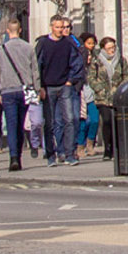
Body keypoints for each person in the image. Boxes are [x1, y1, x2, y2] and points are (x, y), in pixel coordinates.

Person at [0, 18, 38, 171]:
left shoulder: (0, 50)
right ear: (20, 30)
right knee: (21, 124)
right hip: (25, 89)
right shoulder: (28, 47)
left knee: (11, 124)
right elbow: (35, 71)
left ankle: (13, 158)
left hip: (8, 91)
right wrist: (36, 88)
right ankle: (19, 156)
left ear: (8, 31)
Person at [35, 14, 83, 167]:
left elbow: (77, 63)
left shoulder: (68, 43)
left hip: (64, 86)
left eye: (62, 27)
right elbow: (37, 65)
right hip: (48, 87)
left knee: (69, 120)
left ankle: (69, 154)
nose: (61, 30)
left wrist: (70, 80)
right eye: (57, 27)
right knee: (50, 123)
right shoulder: (43, 43)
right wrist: (40, 86)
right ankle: (51, 155)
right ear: (51, 27)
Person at [87, 36, 120, 159]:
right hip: (103, 97)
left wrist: (120, 87)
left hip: (117, 95)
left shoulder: (120, 60)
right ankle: (108, 148)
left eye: (113, 47)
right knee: (106, 120)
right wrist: (99, 88)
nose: (112, 50)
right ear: (103, 49)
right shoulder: (96, 61)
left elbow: (127, 75)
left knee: (116, 121)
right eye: (109, 48)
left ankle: (117, 148)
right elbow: (91, 78)